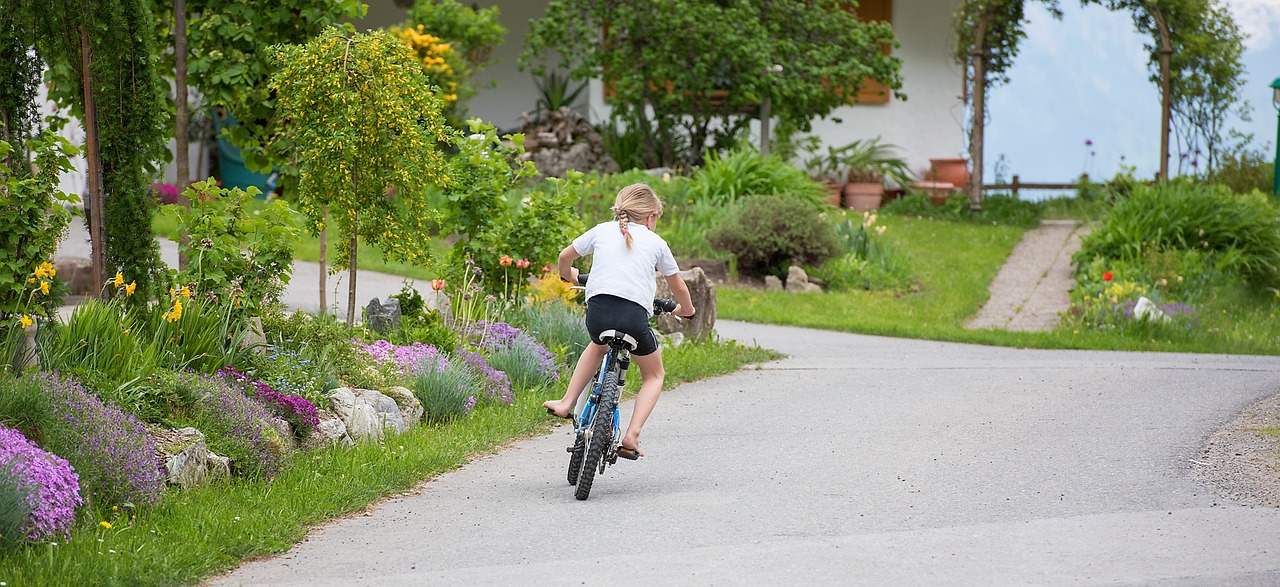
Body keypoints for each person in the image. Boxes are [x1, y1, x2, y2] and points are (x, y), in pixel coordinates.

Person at [542, 183, 695, 459]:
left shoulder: (601, 230)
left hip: (598, 313)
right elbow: (678, 286)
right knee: (654, 375)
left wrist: (570, 276)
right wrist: (686, 309)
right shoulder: (657, 243)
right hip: (634, 318)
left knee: (596, 345)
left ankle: (566, 402)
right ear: (650, 217)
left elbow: (565, 257)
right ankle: (632, 435)